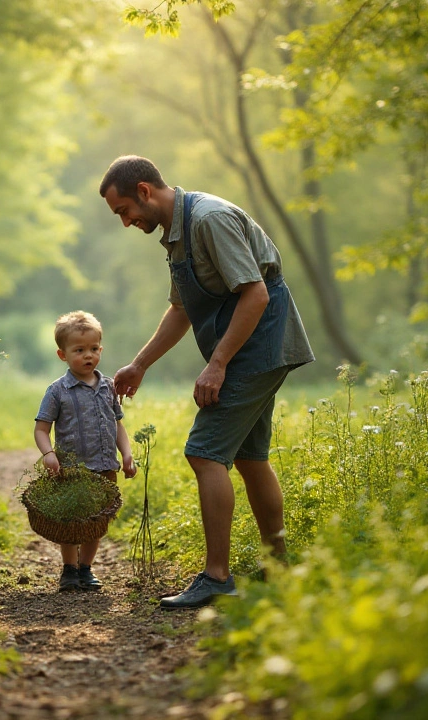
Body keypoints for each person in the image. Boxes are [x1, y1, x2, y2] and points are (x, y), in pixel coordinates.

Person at [100, 155, 314, 609]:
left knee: (204, 451)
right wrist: (140, 364)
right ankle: (279, 566)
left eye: (124, 211)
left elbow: (254, 293)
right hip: (248, 346)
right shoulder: (176, 235)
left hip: (261, 342)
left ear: (143, 190)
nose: (125, 223)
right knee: (250, 457)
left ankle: (217, 577)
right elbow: (180, 310)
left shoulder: (209, 219)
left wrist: (217, 364)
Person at [34, 311, 137, 592]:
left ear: (100, 349)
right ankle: (69, 568)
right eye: (79, 350)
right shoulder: (57, 391)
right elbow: (41, 429)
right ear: (62, 355)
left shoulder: (108, 388)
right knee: (70, 521)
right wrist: (48, 454)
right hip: (73, 469)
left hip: (104, 467)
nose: (88, 355)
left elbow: (118, 425)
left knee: (96, 522)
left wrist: (126, 454)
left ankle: (86, 568)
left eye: (93, 349)